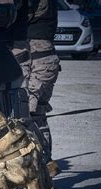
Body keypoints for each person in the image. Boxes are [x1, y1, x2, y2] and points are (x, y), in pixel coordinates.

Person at [27, 0, 62, 177]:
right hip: (46, 58)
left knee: (26, 114)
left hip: (36, 59)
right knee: (38, 115)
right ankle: (46, 163)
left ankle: (45, 161)